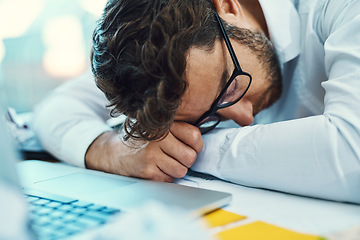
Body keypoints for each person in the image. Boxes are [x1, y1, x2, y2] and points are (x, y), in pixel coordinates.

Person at [33, 0, 360, 204]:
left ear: (228, 6)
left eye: (230, 87)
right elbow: (57, 107)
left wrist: (190, 151)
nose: (244, 118)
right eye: (203, 118)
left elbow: (352, 151)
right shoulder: (150, 62)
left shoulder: (340, 8)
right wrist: (112, 149)